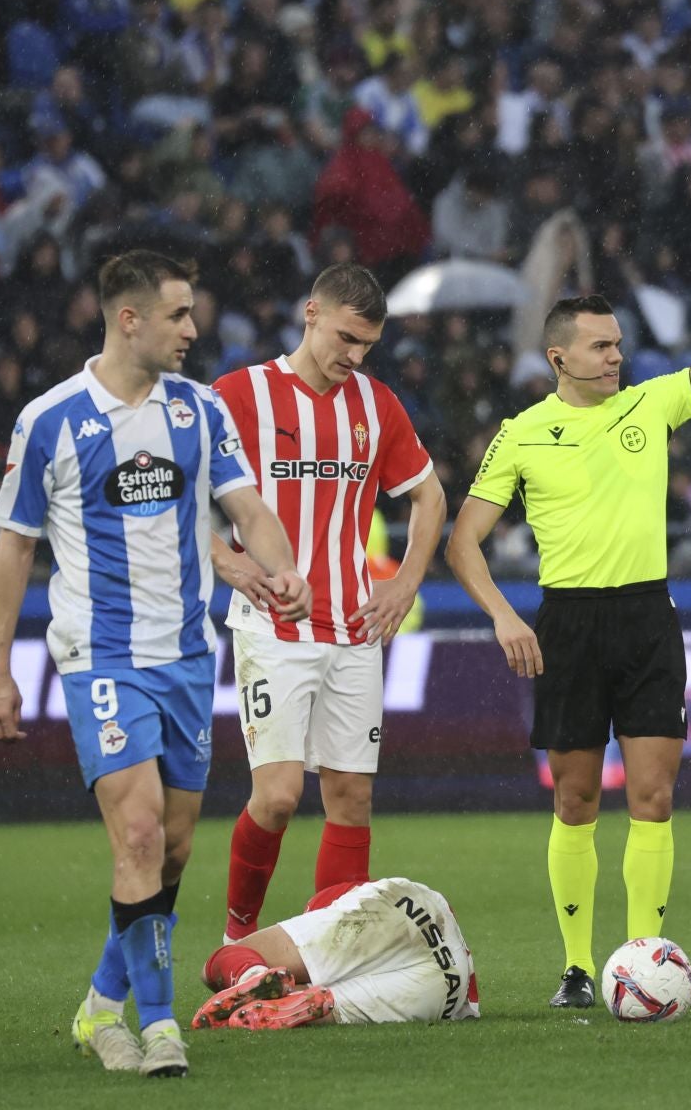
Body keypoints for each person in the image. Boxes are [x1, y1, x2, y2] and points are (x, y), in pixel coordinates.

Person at [442, 173, 691, 1009]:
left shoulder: (652, 405)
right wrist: (502, 616)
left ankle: (643, 953)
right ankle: (574, 967)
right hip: (567, 622)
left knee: (655, 795)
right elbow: (462, 541)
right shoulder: (523, 433)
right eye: (600, 347)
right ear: (559, 357)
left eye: (618, 344)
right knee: (577, 796)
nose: (616, 356)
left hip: (646, 616)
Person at [0, 250, 310, 1078]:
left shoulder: (199, 413)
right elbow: (15, 551)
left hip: (189, 660)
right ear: (129, 320)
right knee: (133, 833)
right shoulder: (50, 419)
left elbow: (248, 509)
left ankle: (100, 1004)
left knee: (167, 851)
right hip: (101, 657)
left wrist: (282, 567)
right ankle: (159, 1029)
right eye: (178, 316)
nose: (194, 331)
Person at [211, 262, 447, 944]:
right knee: (279, 796)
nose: (354, 356)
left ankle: (326, 956)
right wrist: (224, 559)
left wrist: (404, 582)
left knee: (352, 800)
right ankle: (239, 942)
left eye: (366, 346)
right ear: (310, 314)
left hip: (354, 629)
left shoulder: (376, 406)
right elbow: (171, 487)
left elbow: (429, 497)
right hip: (273, 623)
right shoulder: (239, 394)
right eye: (345, 338)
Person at [193, 876, 477, 1030]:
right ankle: (287, 1004)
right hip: (449, 988)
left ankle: (251, 974)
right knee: (325, 1004)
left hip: (399, 906)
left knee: (224, 959)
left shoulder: (338, 901)